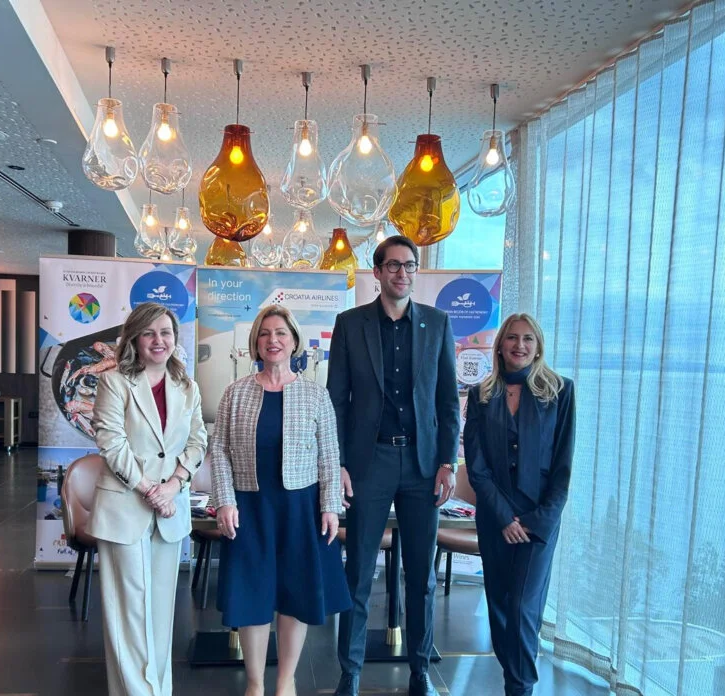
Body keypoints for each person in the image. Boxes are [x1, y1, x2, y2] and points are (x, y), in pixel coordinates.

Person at [326, 236, 461, 696]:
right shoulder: (350, 324)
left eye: (410, 265)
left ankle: (420, 672)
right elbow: (337, 401)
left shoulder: (438, 324)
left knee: (421, 576)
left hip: (424, 466)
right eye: (394, 265)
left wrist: (448, 462)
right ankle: (350, 673)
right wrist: (339, 463)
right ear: (378, 272)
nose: (402, 273)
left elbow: (448, 402)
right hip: (370, 462)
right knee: (359, 573)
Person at [211, 304, 350, 696]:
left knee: (295, 593)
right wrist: (224, 500)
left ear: (294, 342)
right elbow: (218, 450)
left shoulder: (315, 394)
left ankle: (285, 681)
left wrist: (330, 506)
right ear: (255, 342)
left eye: (281, 333)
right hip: (249, 506)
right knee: (252, 593)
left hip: (300, 508)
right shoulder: (235, 393)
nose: (273, 340)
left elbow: (329, 456)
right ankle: (255, 684)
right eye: (265, 333)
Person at [86, 302, 207, 696]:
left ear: (175, 338)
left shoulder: (187, 387)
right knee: (129, 612)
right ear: (135, 339)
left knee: (159, 613)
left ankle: (159, 690)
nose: (159, 340)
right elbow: (111, 442)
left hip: (169, 510)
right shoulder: (114, 382)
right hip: (125, 506)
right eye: (149, 333)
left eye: (166, 332)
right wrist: (150, 489)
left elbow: (197, 441)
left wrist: (173, 485)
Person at [463, 313, 576, 696]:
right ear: (500, 346)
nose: (520, 345)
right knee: (499, 607)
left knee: (522, 608)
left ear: (538, 346)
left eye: (528, 339)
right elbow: (477, 467)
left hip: (539, 521)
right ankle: (514, 680)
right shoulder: (481, 395)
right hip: (496, 518)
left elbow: (562, 468)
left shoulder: (560, 392)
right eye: (512, 338)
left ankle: (519, 688)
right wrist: (503, 518)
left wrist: (538, 520)